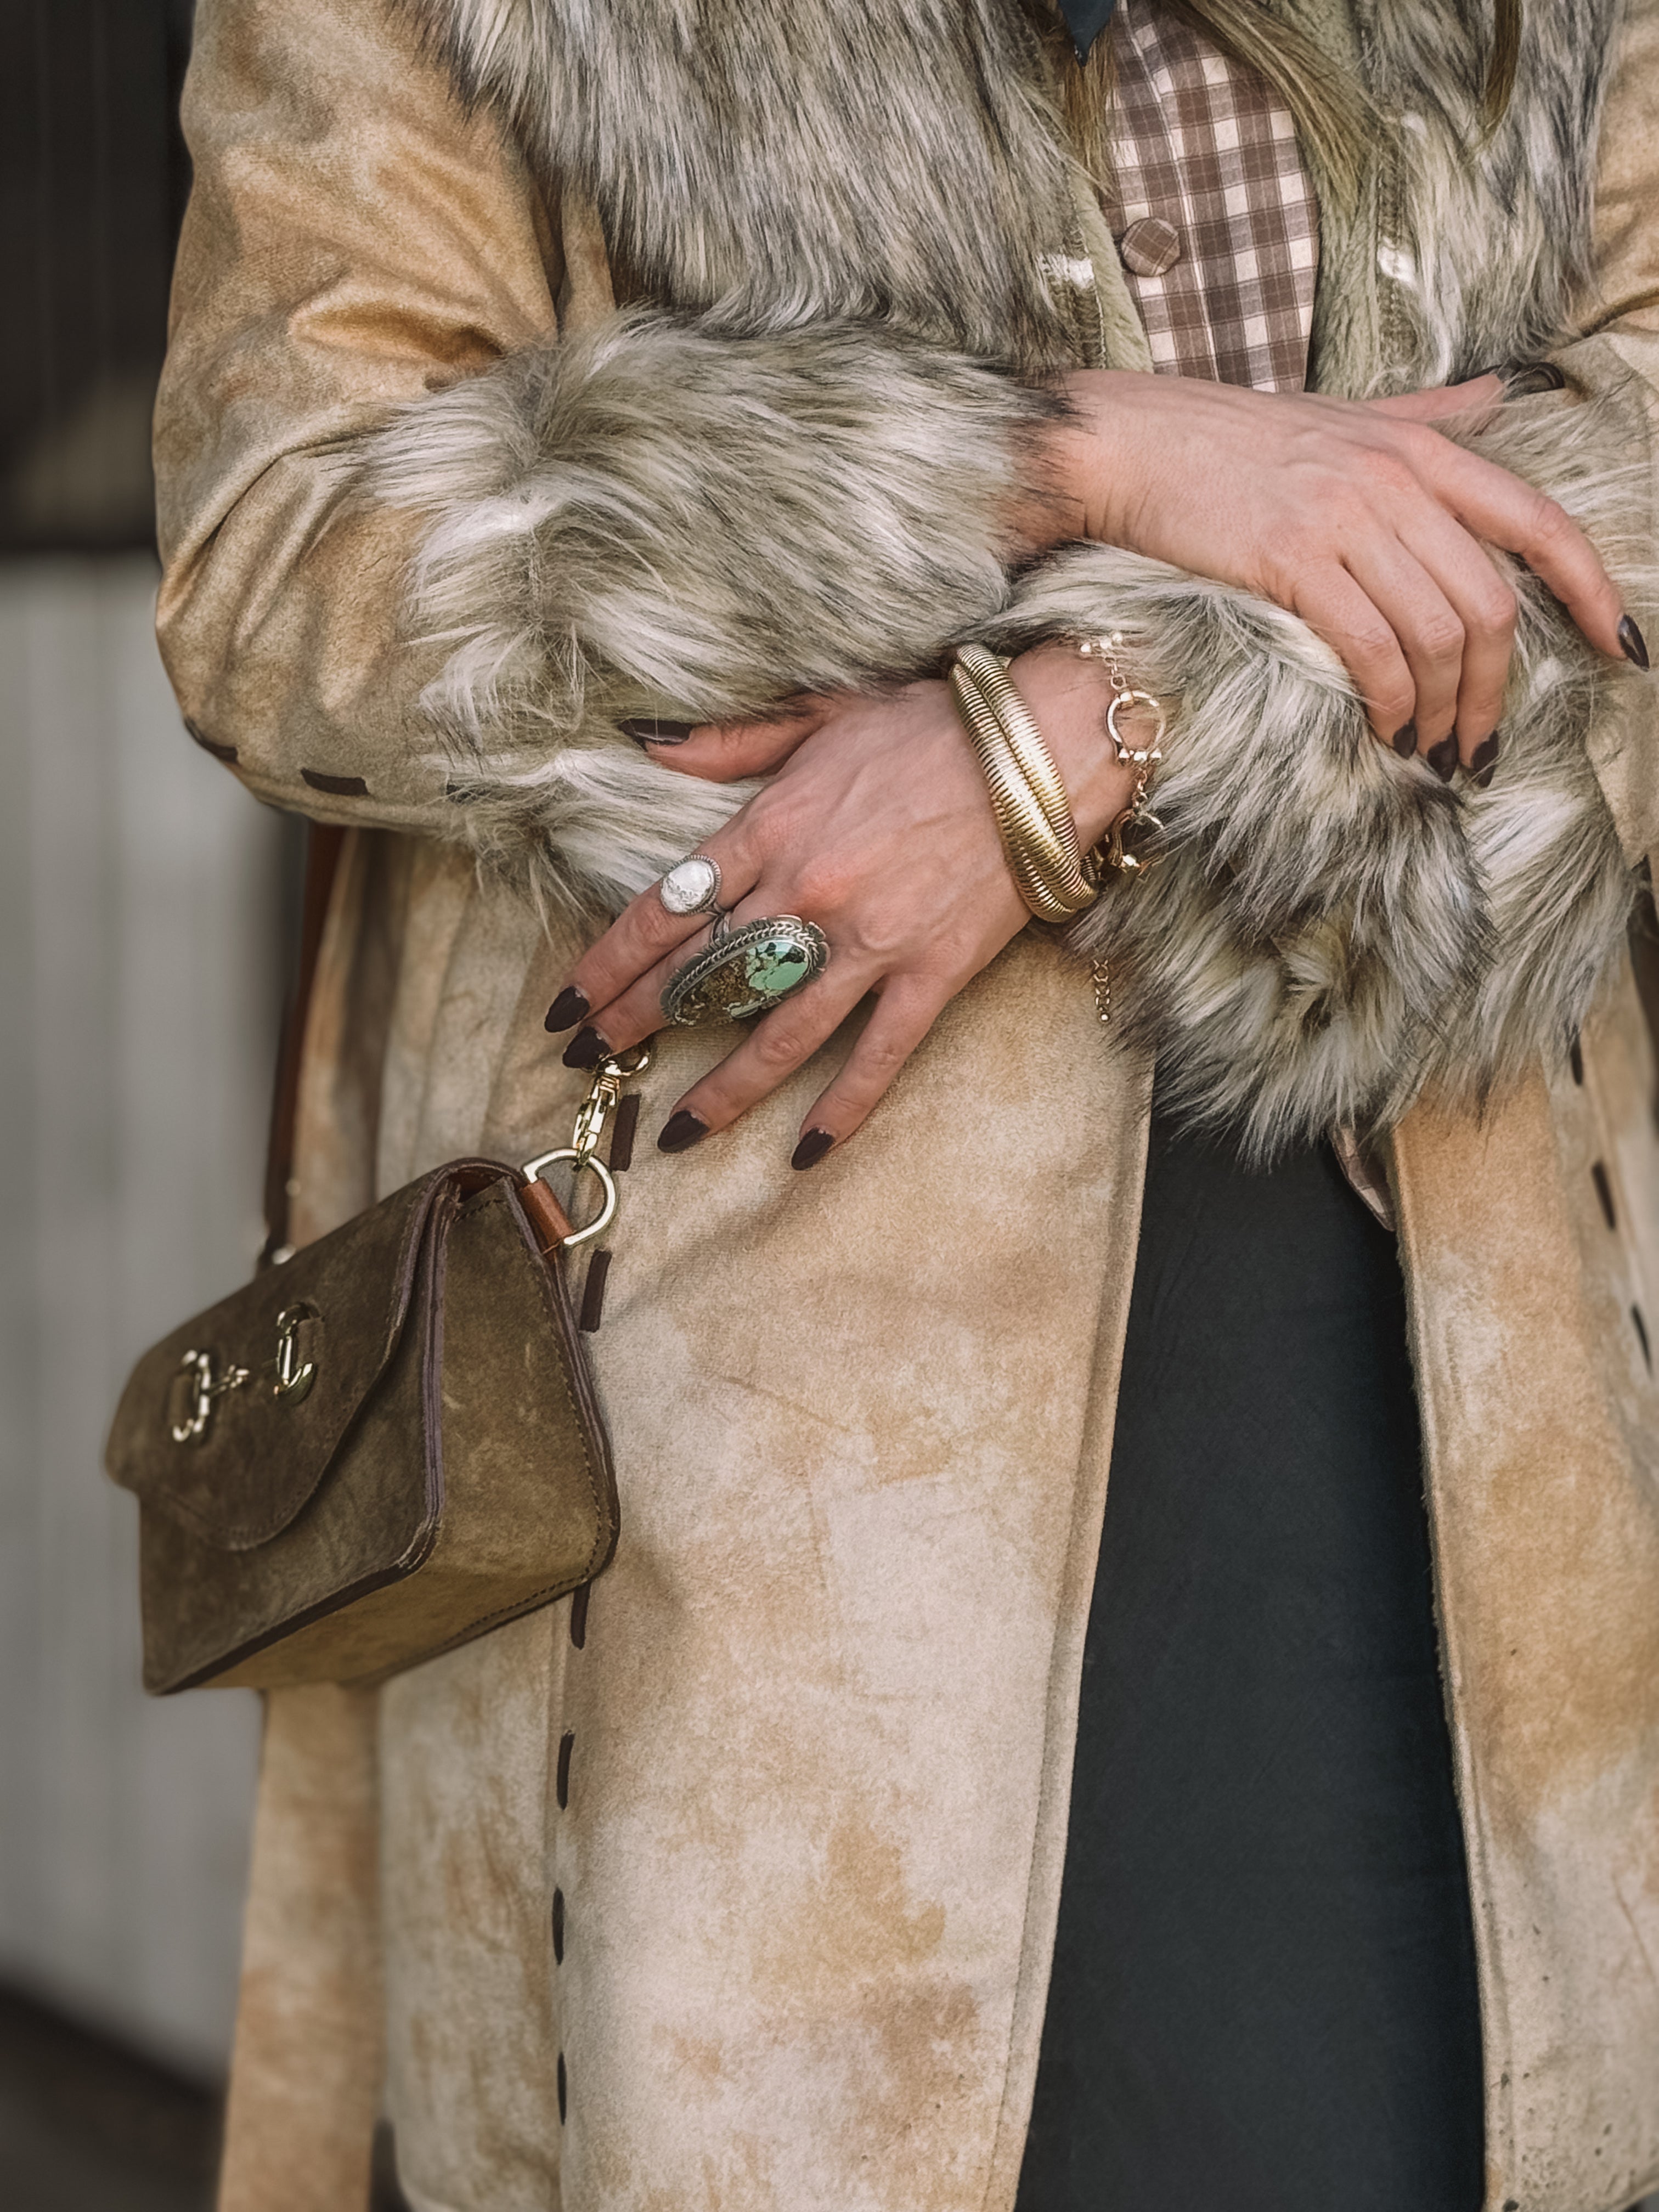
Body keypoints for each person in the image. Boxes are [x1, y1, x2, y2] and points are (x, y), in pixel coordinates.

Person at [153, 0, 1659, 2205]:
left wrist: (1091, 731)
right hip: (761, 1490)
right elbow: (286, 567)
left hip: (1449, 1384)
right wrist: (1045, 459)